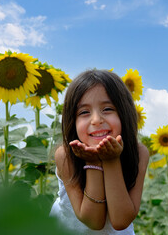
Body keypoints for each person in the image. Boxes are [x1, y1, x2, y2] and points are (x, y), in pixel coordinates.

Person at [50, 69, 149, 234]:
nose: (96, 120)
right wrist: (93, 162)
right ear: (72, 121)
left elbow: (120, 220)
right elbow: (93, 221)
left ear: (124, 113)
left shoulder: (139, 153)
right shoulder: (65, 156)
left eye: (108, 109)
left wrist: (111, 161)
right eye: (84, 112)